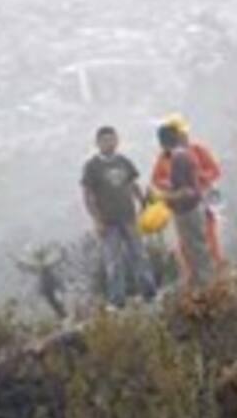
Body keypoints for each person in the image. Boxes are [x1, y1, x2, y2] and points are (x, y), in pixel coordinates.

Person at [80, 126, 156, 308]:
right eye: (105, 140)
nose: (110, 143)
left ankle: (150, 293)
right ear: (98, 143)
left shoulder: (124, 162)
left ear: (117, 140)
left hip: (129, 217)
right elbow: (88, 195)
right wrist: (97, 220)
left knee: (140, 256)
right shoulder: (92, 166)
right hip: (108, 222)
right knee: (113, 262)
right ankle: (117, 300)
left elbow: (133, 184)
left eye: (112, 139)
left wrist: (143, 203)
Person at [151, 114, 224, 268]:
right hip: (180, 204)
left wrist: (200, 176)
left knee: (208, 234)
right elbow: (156, 179)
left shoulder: (197, 150)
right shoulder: (164, 157)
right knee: (185, 241)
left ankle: (216, 265)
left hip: (203, 197)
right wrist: (168, 185)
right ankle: (192, 274)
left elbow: (215, 171)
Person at [155, 123, 215, 289]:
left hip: (188, 211)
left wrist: (162, 197)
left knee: (197, 249)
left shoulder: (178, 159)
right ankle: (201, 283)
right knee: (193, 248)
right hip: (190, 209)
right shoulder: (185, 156)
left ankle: (208, 285)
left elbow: (187, 191)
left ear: (163, 143)